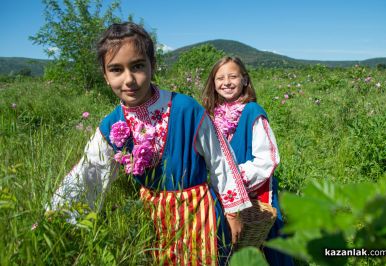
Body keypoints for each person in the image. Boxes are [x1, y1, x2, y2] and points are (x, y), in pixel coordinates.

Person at [47, 23, 252, 265]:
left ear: (152, 65)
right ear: (105, 76)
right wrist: (54, 217)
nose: (129, 79)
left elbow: (220, 159)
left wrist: (233, 210)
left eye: (137, 66)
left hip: (200, 216)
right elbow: (89, 173)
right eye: (116, 70)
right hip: (151, 219)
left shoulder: (186, 109)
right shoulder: (112, 126)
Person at [202, 56, 294, 266]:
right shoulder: (211, 115)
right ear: (213, 83)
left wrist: (234, 181)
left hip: (254, 191)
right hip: (222, 193)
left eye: (233, 76)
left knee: (267, 243)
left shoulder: (252, 111)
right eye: (220, 78)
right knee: (229, 241)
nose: (226, 82)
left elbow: (268, 159)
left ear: (244, 80)